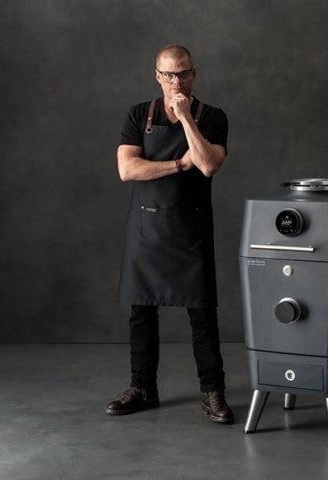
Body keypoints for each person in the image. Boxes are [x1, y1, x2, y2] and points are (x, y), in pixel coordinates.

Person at [106, 44, 233, 424]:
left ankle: (213, 391)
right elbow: (127, 170)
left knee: (202, 314)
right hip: (147, 228)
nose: (176, 82)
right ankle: (142, 387)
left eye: (183, 73)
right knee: (141, 312)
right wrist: (178, 164)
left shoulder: (213, 117)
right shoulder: (137, 114)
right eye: (169, 74)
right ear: (157, 76)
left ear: (194, 73)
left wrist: (187, 119)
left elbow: (208, 165)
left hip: (191, 228)